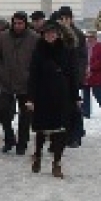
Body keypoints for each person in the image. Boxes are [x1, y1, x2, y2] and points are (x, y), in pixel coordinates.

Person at [25, 21, 80, 179]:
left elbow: (72, 75)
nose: (50, 36)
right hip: (42, 95)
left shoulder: (66, 50)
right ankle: (38, 154)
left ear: (58, 34)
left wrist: (75, 95)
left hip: (62, 95)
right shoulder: (38, 51)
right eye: (47, 33)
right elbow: (33, 76)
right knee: (41, 130)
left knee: (60, 131)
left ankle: (57, 162)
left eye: (53, 33)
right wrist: (30, 98)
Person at [0, 11, 39, 155]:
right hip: (7, 81)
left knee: (25, 116)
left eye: (20, 23)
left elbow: (39, 58)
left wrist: (32, 73)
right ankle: (9, 137)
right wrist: (0, 71)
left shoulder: (34, 38)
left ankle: (22, 143)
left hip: (27, 83)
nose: (17, 26)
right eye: (15, 23)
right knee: (3, 110)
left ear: (25, 23)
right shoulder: (4, 36)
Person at [56, 7, 87, 147]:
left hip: (73, 76)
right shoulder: (56, 33)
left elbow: (82, 57)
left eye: (67, 18)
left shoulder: (78, 34)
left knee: (74, 106)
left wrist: (79, 76)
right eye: (62, 18)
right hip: (59, 77)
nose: (64, 21)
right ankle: (66, 133)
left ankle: (76, 134)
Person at [82, 30, 101, 118]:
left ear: (95, 37)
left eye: (91, 37)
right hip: (85, 74)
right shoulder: (84, 47)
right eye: (88, 37)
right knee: (85, 94)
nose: (89, 39)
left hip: (96, 74)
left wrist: (90, 68)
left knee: (97, 93)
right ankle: (86, 112)